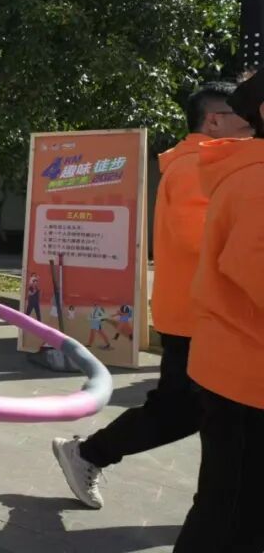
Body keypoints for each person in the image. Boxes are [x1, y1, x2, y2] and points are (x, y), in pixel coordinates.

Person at [51, 81, 252, 510]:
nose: (253, 121)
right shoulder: (199, 166)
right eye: (244, 114)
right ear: (214, 120)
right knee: (184, 413)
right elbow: (209, 241)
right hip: (198, 319)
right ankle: (88, 453)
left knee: (194, 415)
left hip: (202, 317)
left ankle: (90, 453)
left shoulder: (208, 163)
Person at [173, 70, 264, 552]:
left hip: (228, 359)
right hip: (242, 374)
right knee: (229, 516)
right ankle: (91, 453)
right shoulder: (251, 179)